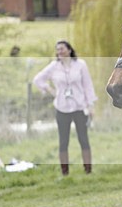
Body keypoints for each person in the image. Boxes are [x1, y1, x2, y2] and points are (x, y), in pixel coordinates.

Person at [33, 40, 97, 175]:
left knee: (83, 139)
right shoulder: (54, 66)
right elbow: (38, 79)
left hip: (79, 106)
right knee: (63, 141)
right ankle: (65, 172)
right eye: (57, 50)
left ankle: (88, 170)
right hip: (62, 108)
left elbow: (88, 85)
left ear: (69, 50)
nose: (59, 52)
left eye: (62, 49)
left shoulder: (80, 65)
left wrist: (90, 105)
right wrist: (50, 90)